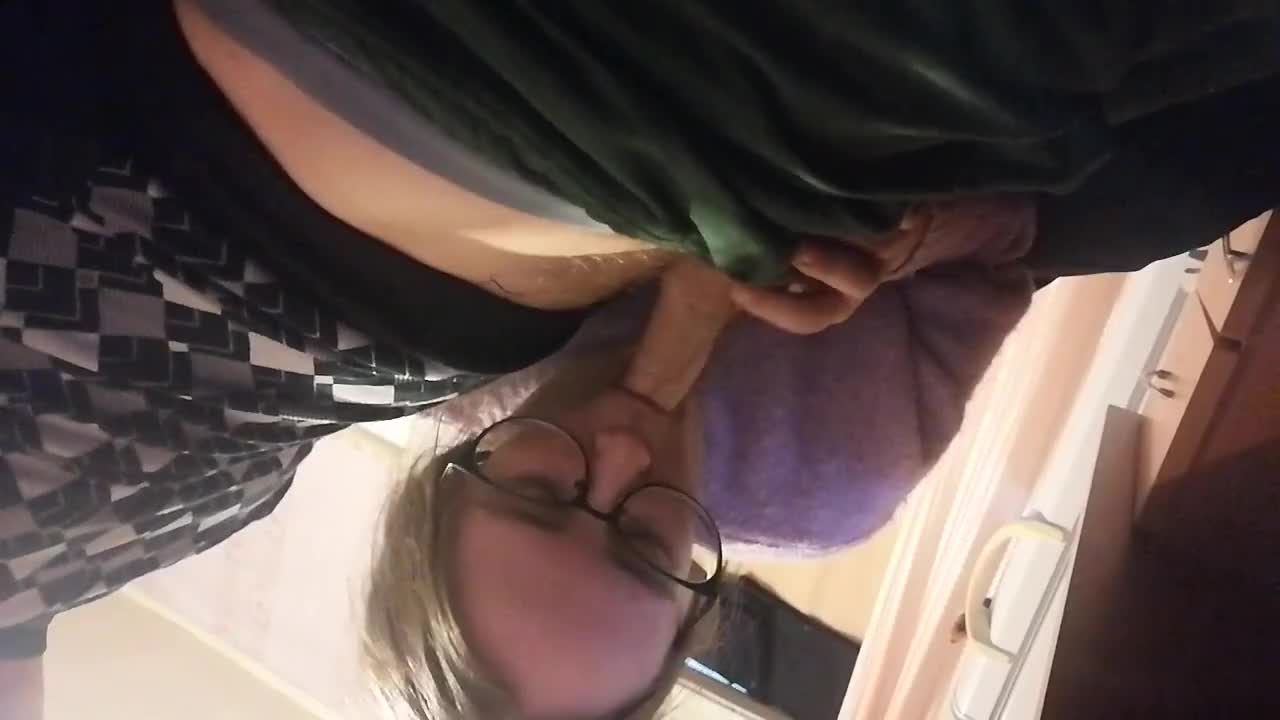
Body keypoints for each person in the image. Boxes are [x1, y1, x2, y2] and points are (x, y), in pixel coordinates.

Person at [2, 0, 1278, 718]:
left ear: (442, 477)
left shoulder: (466, 385)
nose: (615, 454)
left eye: (540, 492)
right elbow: (1014, 251)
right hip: (962, 176)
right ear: (697, 592)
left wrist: (692, 315)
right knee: (1149, 193)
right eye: (648, 543)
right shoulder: (829, 485)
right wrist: (914, 239)